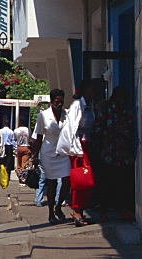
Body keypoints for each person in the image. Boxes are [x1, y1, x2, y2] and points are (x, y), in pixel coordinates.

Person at [92, 86, 135, 217]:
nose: (122, 100)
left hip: (124, 154)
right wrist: (107, 134)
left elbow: (131, 129)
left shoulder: (127, 112)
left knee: (123, 183)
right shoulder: (106, 111)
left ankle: (123, 209)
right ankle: (104, 210)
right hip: (108, 153)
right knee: (107, 183)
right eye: (120, 97)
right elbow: (97, 129)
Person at [58, 80, 97, 226]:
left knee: (88, 180)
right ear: (86, 89)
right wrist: (77, 150)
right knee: (81, 180)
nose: (95, 92)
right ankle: (76, 210)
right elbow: (71, 129)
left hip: (88, 145)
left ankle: (81, 208)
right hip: (79, 148)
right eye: (92, 89)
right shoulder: (77, 106)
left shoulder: (90, 106)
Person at [31, 89, 72, 225]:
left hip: (63, 153)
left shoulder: (67, 114)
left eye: (61, 102)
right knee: (52, 183)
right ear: (51, 102)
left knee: (67, 181)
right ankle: (50, 213)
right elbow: (38, 137)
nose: (59, 104)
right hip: (48, 153)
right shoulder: (43, 116)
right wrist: (35, 156)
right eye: (57, 102)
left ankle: (59, 205)